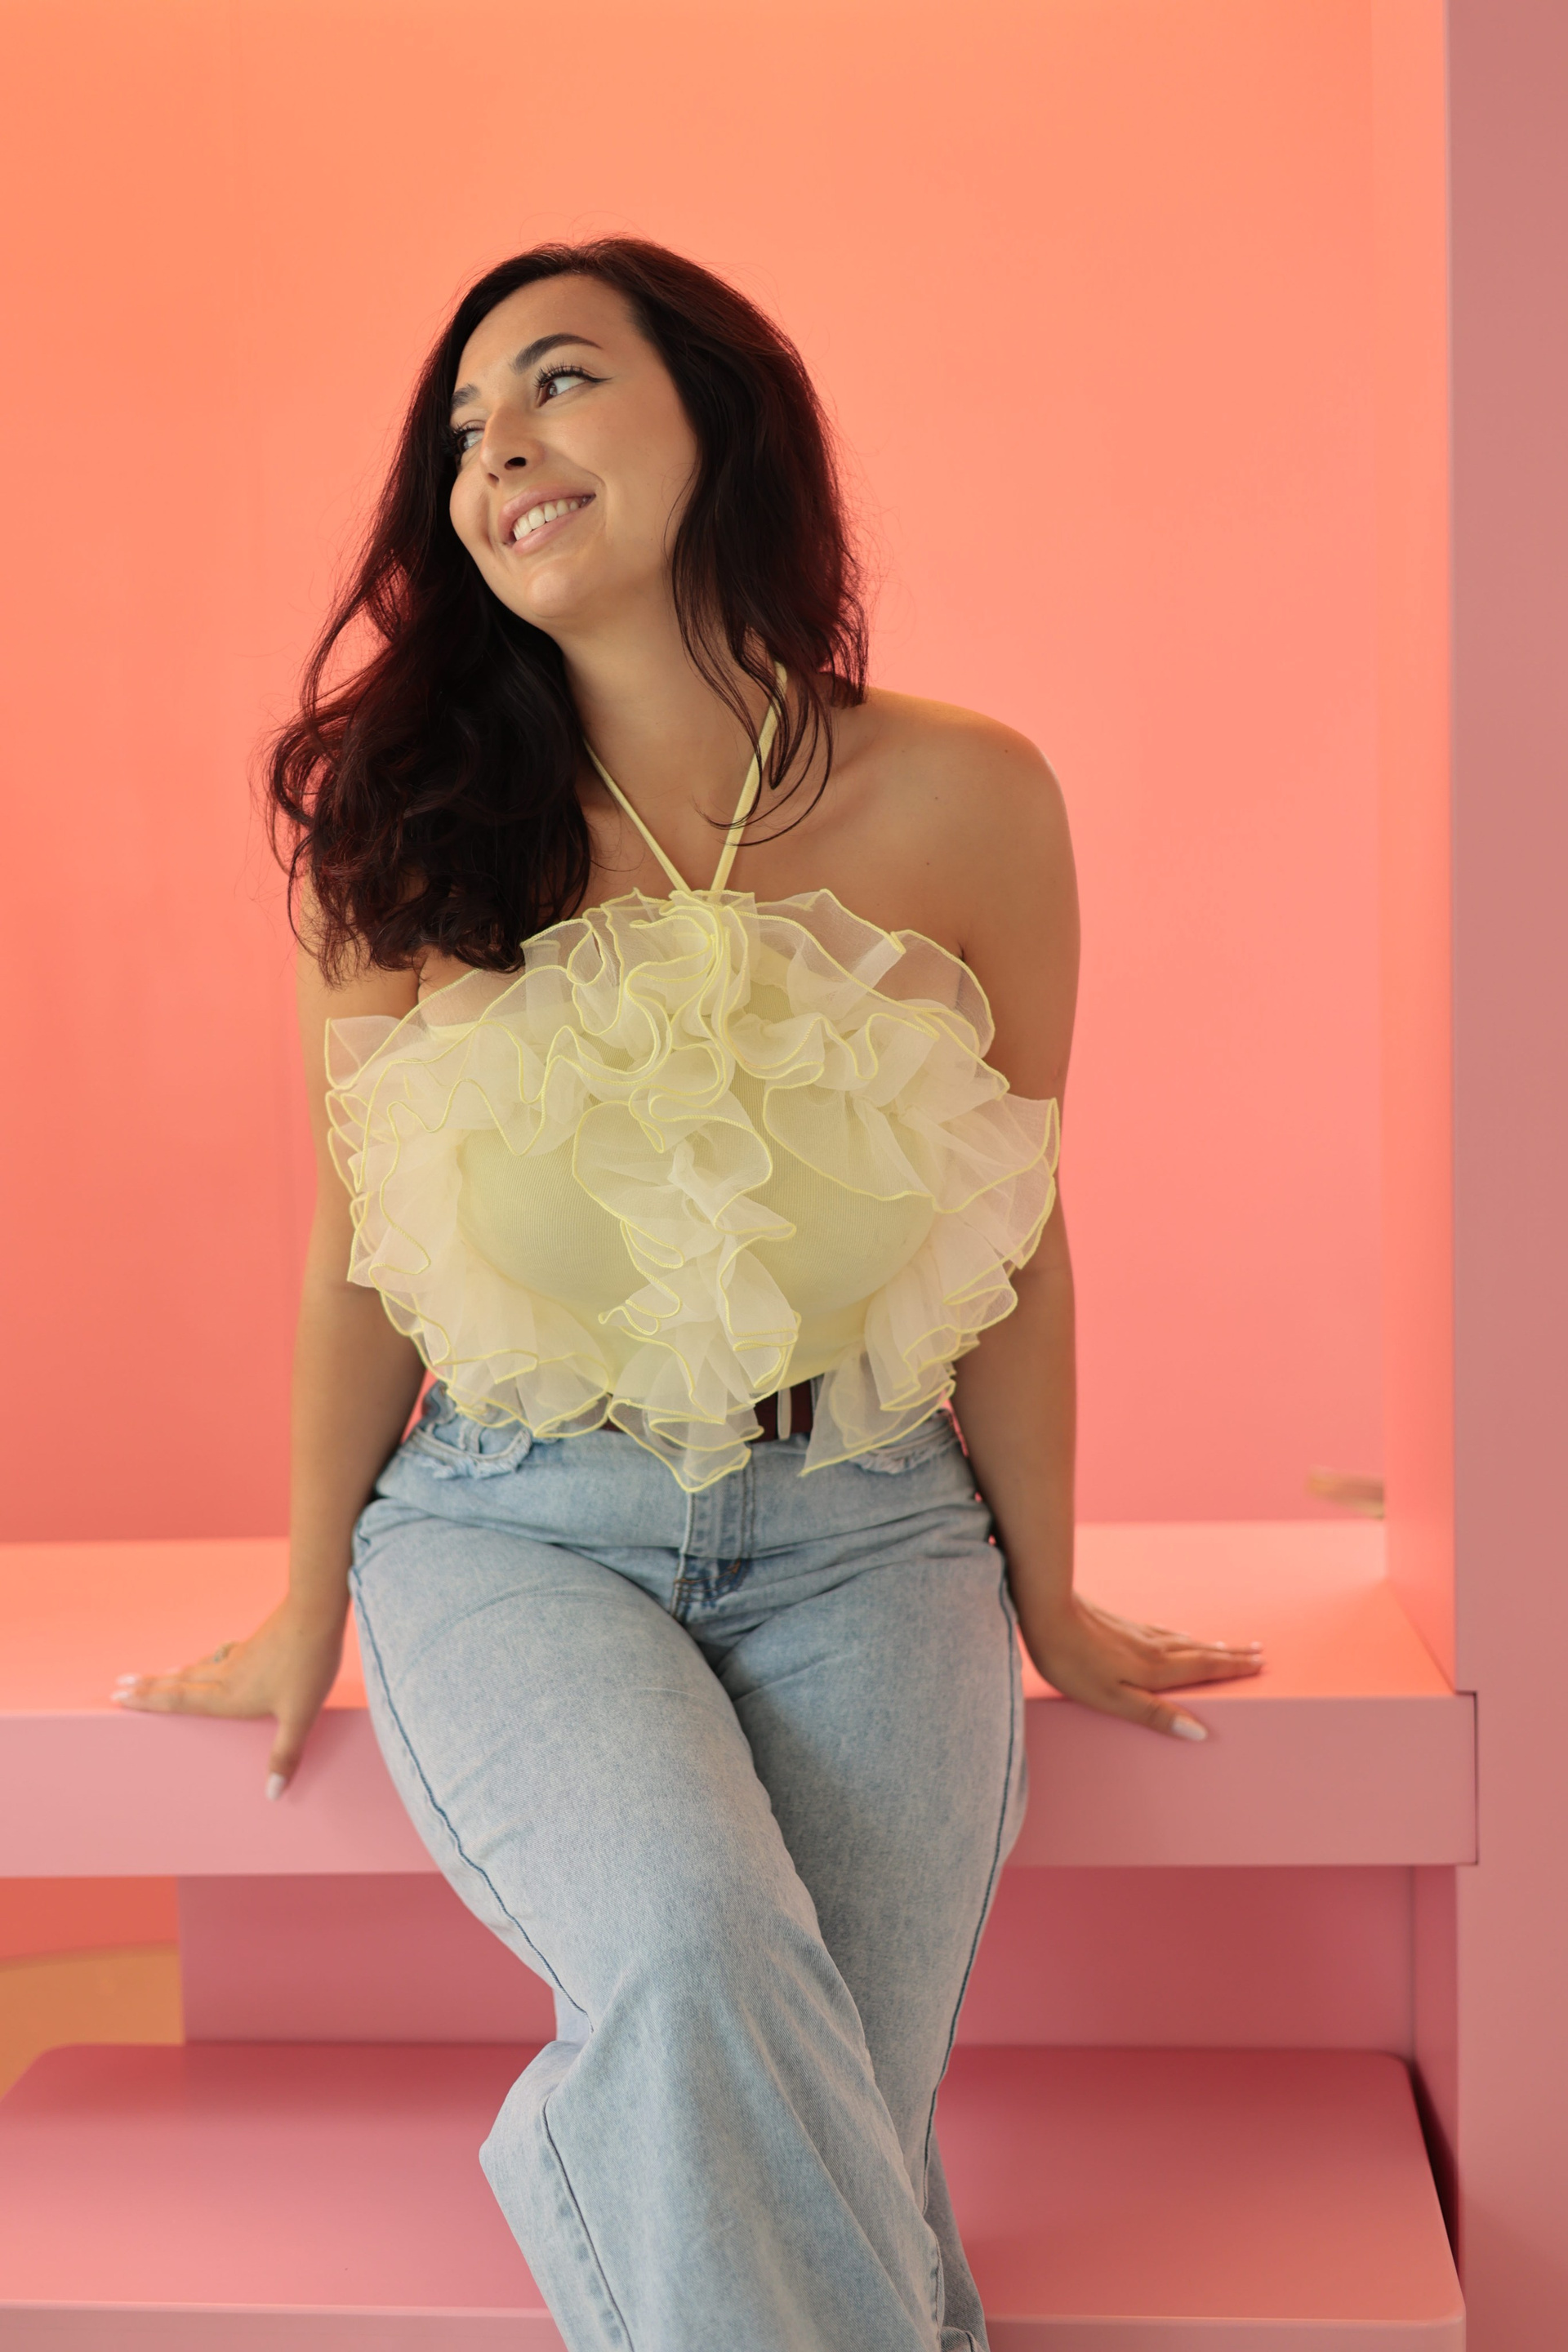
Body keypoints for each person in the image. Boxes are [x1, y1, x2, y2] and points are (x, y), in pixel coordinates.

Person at [117, 238, 1262, 2351]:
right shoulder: (404, 825)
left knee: (832, 2110)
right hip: (513, 1530)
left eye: (557, 382)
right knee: (698, 1960)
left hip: (874, 1528)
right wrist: (301, 1601)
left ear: (722, 420)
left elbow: (1012, 1232)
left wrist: (1052, 1590)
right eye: (463, 429)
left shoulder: (970, 797)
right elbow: (363, 1252)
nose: (498, 450)